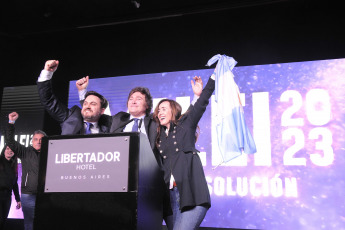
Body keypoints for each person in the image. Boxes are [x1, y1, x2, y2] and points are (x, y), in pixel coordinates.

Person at [153, 74, 215, 230]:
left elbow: (200, 104)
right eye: (158, 110)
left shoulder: (185, 126)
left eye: (164, 109)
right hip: (169, 200)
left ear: (173, 111)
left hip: (191, 195)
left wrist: (211, 80)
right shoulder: (158, 138)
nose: (160, 112)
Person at [37, 60, 110, 135]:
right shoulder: (70, 117)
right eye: (85, 103)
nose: (87, 106)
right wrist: (47, 72)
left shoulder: (109, 124)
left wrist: (82, 91)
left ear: (102, 111)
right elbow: (48, 100)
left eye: (93, 104)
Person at [5, 112, 47, 230]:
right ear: (32, 141)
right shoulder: (25, 152)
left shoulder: (51, 153)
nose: (38, 141)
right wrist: (11, 122)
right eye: (36, 139)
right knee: (29, 224)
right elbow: (10, 141)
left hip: (46, 195)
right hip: (28, 195)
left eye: (41, 140)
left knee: (45, 222)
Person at [0, 145, 21, 230]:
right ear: (4, 150)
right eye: (7, 149)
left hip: (7, 197)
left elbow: (15, 184)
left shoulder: (14, 165)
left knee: (3, 222)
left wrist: (18, 199)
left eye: (12, 149)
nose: (9, 151)